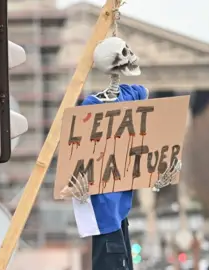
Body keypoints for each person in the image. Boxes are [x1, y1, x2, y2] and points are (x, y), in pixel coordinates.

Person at [61, 84, 149, 270]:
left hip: (108, 222)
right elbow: (142, 91)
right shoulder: (110, 160)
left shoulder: (98, 158)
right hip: (112, 221)